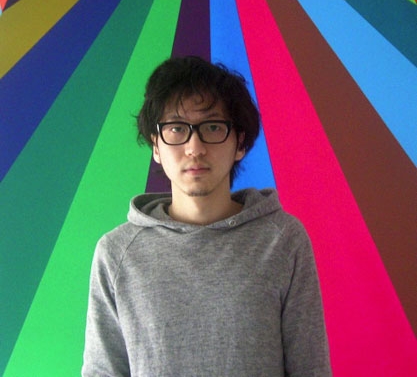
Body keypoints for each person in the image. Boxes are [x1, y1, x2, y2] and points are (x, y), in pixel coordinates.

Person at [82, 56, 332, 377]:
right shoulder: (117, 253)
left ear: (240, 142)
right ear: (156, 146)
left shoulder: (283, 240)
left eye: (213, 127)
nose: (195, 147)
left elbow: (310, 369)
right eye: (176, 129)